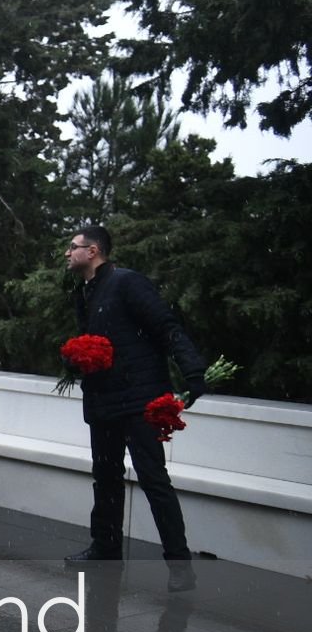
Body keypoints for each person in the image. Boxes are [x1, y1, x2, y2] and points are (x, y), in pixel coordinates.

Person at [63, 225, 208, 592]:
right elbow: (99, 341)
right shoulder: (85, 291)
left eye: (73, 247)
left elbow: (165, 326)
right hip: (104, 400)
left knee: (154, 480)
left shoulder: (128, 283)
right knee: (106, 478)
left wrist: (192, 371)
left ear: (93, 251)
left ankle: (180, 565)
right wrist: (77, 361)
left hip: (139, 400)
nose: (67, 253)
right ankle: (106, 548)